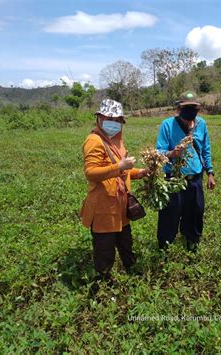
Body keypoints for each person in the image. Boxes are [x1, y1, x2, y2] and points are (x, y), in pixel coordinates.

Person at [80, 99, 148, 284]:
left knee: (126, 243)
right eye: (109, 118)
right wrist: (119, 166)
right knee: (104, 250)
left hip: (120, 205)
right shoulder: (94, 141)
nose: (114, 122)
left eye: (118, 119)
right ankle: (103, 283)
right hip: (103, 207)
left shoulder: (116, 141)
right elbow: (91, 173)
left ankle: (132, 270)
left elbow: (122, 171)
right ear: (99, 118)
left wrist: (139, 172)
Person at [156, 91, 215, 252]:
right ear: (178, 108)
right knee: (170, 213)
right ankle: (165, 245)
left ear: (198, 108)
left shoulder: (201, 124)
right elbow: (159, 151)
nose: (190, 110)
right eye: (186, 107)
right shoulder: (167, 125)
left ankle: (192, 242)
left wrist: (210, 172)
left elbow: (205, 150)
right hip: (174, 178)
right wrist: (172, 154)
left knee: (195, 211)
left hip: (195, 178)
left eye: (193, 107)